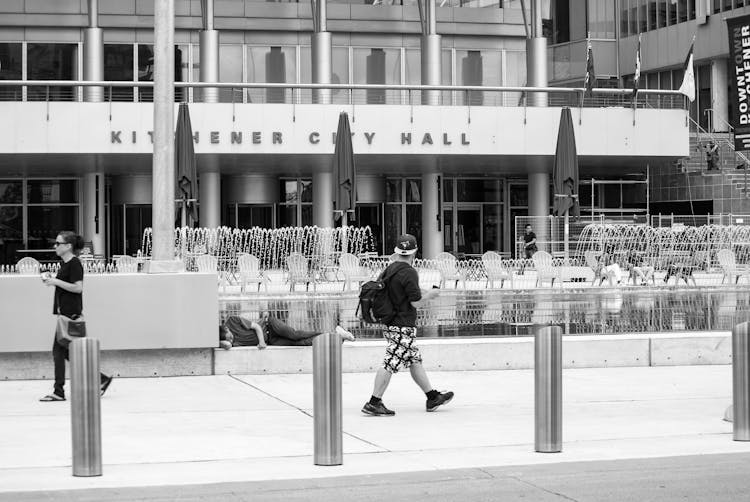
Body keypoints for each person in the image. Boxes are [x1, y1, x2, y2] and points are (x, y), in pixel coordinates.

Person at [362, 234, 453, 416]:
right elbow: (415, 302)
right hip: (402, 324)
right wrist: (431, 295)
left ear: (397, 251)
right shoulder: (410, 271)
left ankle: (432, 397)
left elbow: (403, 291)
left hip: (392, 324)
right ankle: (373, 402)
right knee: (390, 363)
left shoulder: (391, 269)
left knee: (414, 360)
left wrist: (424, 292)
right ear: (415, 252)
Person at [39, 231, 113, 402]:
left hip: (70, 316)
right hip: (65, 315)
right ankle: (101, 379)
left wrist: (56, 282)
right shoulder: (65, 264)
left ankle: (59, 391)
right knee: (69, 353)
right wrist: (52, 280)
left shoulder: (74, 264)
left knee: (59, 352)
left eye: (58, 243)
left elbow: (78, 287)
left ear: (68, 246)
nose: (55, 246)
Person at [221, 312, 355, 349]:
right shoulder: (226, 341)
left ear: (226, 328)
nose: (231, 340)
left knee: (295, 335)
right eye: (229, 340)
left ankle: (334, 330)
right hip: (272, 341)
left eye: (230, 336)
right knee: (299, 344)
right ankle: (336, 337)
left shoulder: (232, 320)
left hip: (270, 326)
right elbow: (226, 345)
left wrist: (261, 342)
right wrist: (222, 342)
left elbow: (256, 326)